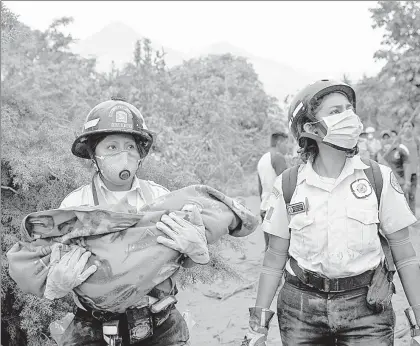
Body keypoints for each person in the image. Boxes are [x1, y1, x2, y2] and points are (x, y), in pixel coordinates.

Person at [242, 80, 420, 346]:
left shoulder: (378, 178)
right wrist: (258, 325)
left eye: (349, 109)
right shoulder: (289, 184)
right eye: (336, 111)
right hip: (300, 309)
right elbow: (275, 257)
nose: (349, 116)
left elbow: (404, 255)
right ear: (310, 127)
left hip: (367, 309)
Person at [21, 97, 208, 345]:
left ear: (140, 154)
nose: (124, 154)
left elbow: (181, 261)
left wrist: (197, 253)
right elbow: (59, 263)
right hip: (92, 328)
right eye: (111, 147)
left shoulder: (161, 199)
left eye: (130, 146)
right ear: (93, 155)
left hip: (160, 325)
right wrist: (55, 286)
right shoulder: (76, 205)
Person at [257, 130, 288, 250]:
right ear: (279, 142)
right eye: (286, 143)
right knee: (279, 250)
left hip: (265, 209)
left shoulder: (262, 159)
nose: (287, 147)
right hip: (276, 209)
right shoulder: (278, 157)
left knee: (269, 248)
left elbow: (260, 187)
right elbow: (286, 183)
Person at [376, 129, 412, 200]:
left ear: (392, 139)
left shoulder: (400, 150)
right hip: (385, 187)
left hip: (400, 184)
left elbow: (407, 166)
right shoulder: (378, 154)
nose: (386, 140)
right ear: (381, 140)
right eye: (384, 138)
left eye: (388, 137)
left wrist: (407, 182)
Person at [400, 119, 419, 215]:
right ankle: (404, 216)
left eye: (409, 126)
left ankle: (413, 216)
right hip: (401, 173)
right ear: (402, 128)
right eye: (405, 126)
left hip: (413, 172)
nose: (407, 129)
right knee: (402, 195)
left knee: (412, 195)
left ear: (413, 128)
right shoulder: (399, 140)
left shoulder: (416, 140)